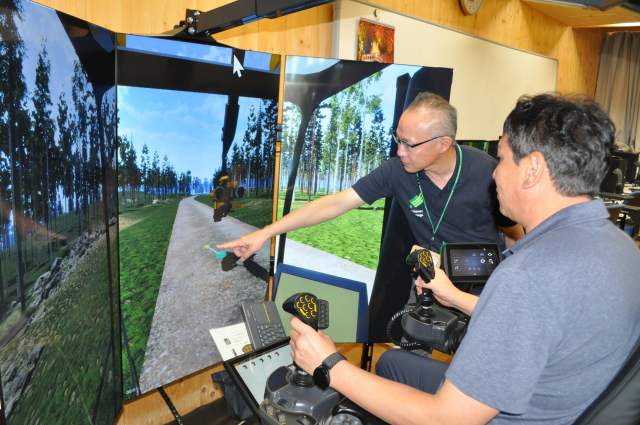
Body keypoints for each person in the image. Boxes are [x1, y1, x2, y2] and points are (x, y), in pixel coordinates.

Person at [288, 94, 640, 424]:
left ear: (532, 169)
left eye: (501, 159)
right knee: (394, 362)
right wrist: (452, 295)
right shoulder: (622, 247)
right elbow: (531, 320)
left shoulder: (526, 276)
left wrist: (330, 363)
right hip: (560, 398)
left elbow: (447, 419)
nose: (495, 173)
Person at [218, 92, 524, 263]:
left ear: (443, 143)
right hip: (429, 282)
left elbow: (515, 237)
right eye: (397, 139)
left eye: (409, 144)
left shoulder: (487, 174)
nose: (400, 151)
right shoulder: (397, 170)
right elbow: (334, 204)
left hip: (483, 289)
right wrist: (265, 233)